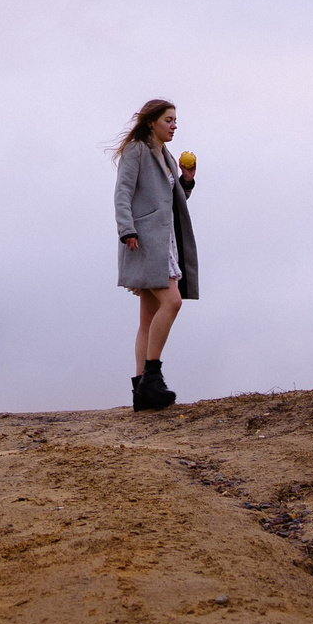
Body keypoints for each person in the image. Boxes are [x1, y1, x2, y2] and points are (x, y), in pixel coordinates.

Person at [112, 97, 197, 410]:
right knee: (172, 302)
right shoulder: (137, 150)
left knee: (148, 318)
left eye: (175, 121)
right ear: (151, 122)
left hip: (165, 240)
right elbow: (122, 192)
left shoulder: (167, 156)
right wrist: (127, 230)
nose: (174, 126)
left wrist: (187, 181)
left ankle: (141, 392)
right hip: (143, 240)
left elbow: (173, 199)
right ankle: (153, 377)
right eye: (168, 120)